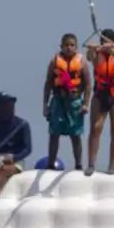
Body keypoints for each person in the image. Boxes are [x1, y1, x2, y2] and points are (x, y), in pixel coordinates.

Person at [84, 28, 114, 176]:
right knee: (96, 127)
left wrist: (111, 49)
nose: (105, 43)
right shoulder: (97, 54)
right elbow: (91, 58)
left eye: (108, 41)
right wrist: (93, 49)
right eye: (103, 41)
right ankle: (91, 164)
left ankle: (112, 166)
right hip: (100, 93)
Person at [43, 33, 90, 172]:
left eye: (72, 45)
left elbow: (88, 85)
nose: (69, 48)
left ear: (76, 46)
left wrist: (85, 104)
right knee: (54, 133)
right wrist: (45, 105)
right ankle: (50, 164)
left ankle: (78, 165)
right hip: (58, 100)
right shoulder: (55, 61)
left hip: (75, 102)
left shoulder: (82, 62)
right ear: (61, 46)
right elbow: (48, 84)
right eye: (66, 45)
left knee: (75, 134)